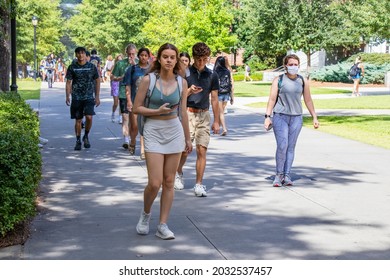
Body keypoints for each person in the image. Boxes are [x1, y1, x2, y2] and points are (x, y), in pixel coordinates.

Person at [133, 43, 192, 240]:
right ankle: (146, 214)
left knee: (169, 181)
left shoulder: (181, 82)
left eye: (172, 57)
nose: (168, 60)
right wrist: (156, 112)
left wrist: (187, 138)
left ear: (176, 60)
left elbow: (182, 112)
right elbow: (136, 108)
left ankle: (163, 224)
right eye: (165, 56)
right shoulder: (148, 80)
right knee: (154, 182)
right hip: (153, 130)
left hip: (174, 130)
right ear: (158, 58)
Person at [264, 54, 319, 187]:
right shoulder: (279, 80)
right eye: (291, 64)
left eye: (296, 65)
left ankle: (287, 175)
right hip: (280, 116)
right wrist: (267, 117)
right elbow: (272, 99)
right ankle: (278, 175)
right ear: (285, 66)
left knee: (291, 146)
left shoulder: (302, 81)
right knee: (282, 145)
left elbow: (308, 99)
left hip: (296, 117)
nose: (293, 67)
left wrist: (314, 117)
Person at [174, 42, 220, 196]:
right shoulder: (185, 73)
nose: (201, 62)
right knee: (185, 150)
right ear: (193, 57)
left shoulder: (212, 75)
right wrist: (189, 91)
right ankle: (178, 172)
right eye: (199, 59)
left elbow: (214, 99)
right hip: (187, 113)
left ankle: (199, 184)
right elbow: (178, 96)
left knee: (202, 150)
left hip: (204, 114)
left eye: (204, 59)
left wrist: (217, 120)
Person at [65, 46, 101, 150]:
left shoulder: (91, 67)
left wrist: (97, 96)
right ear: (76, 55)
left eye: (82, 53)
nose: (80, 55)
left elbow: (97, 81)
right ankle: (77, 140)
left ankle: (86, 135)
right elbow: (68, 82)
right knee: (78, 120)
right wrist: (67, 96)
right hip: (76, 97)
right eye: (78, 53)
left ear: (86, 55)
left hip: (89, 97)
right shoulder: (72, 67)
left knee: (89, 117)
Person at [124, 47, 151, 158]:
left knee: (145, 126)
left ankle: (143, 150)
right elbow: (128, 86)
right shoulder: (132, 69)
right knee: (134, 126)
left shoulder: (152, 70)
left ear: (148, 57)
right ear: (138, 56)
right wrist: (129, 100)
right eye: (141, 55)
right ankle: (133, 141)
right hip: (135, 101)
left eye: (146, 55)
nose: (143, 57)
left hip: (148, 102)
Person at [111, 44, 137, 149]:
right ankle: (126, 139)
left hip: (136, 93)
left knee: (133, 119)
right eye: (129, 54)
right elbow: (112, 76)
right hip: (123, 93)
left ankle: (132, 138)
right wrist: (120, 78)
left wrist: (134, 65)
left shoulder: (140, 63)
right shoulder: (120, 63)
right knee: (125, 117)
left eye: (133, 54)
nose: (131, 56)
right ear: (126, 53)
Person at [213, 56, 234, 136]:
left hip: (219, 93)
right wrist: (232, 96)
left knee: (221, 112)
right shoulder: (227, 71)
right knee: (221, 111)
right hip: (226, 93)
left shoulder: (215, 72)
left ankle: (224, 128)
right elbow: (230, 83)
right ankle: (217, 126)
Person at [110, 54, 123, 123]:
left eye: (121, 60)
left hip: (122, 85)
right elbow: (111, 77)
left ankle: (120, 117)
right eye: (118, 60)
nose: (119, 62)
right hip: (115, 84)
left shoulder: (124, 67)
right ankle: (113, 114)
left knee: (121, 102)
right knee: (116, 103)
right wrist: (118, 78)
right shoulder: (114, 67)